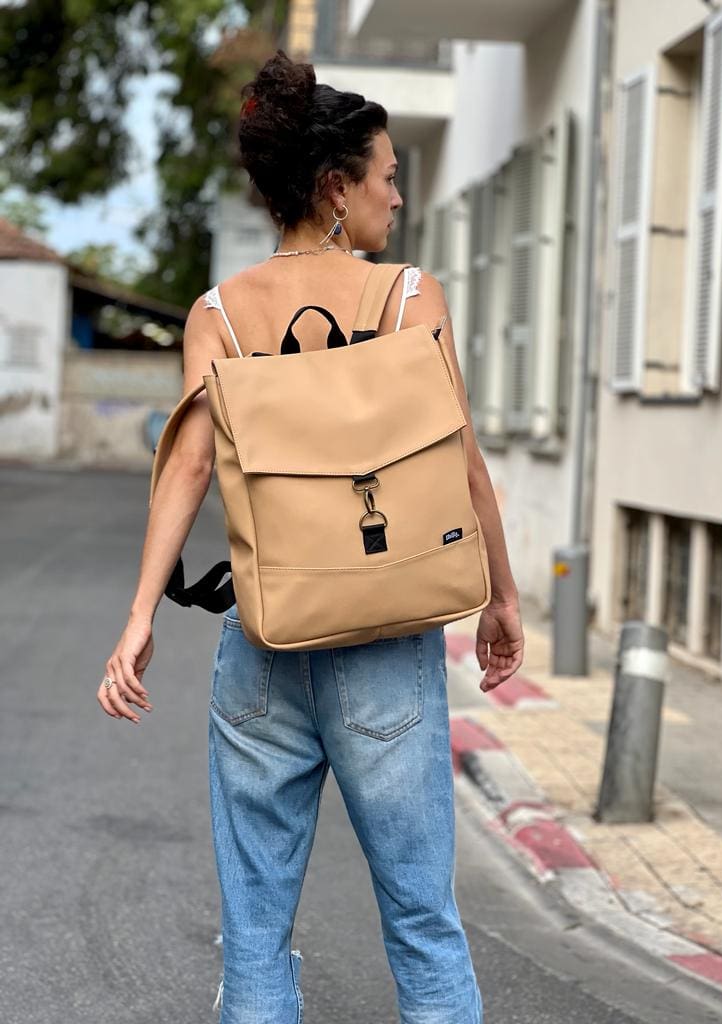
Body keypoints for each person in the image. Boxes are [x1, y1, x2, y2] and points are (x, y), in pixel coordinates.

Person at [96, 48, 524, 1024]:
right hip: (386, 642)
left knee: (254, 934)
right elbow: (463, 461)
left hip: (265, 641)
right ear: (335, 188)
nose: (398, 197)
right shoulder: (409, 297)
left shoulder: (218, 314)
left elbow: (189, 466)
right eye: (385, 176)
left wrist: (137, 621)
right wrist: (499, 598)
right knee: (423, 926)